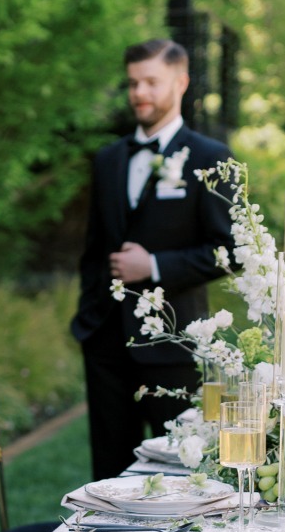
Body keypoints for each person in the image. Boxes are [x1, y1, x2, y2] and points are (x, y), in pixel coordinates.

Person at [71, 38, 234, 482]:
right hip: (105, 344)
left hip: (174, 346)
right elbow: (93, 249)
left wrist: (156, 266)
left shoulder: (210, 157)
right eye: (132, 83)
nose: (139, 93)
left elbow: (231, 251)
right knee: (108, 473)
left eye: (150, 82)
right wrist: (87, 321)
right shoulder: (107, 160)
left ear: (180, 82)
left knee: (184, 471)